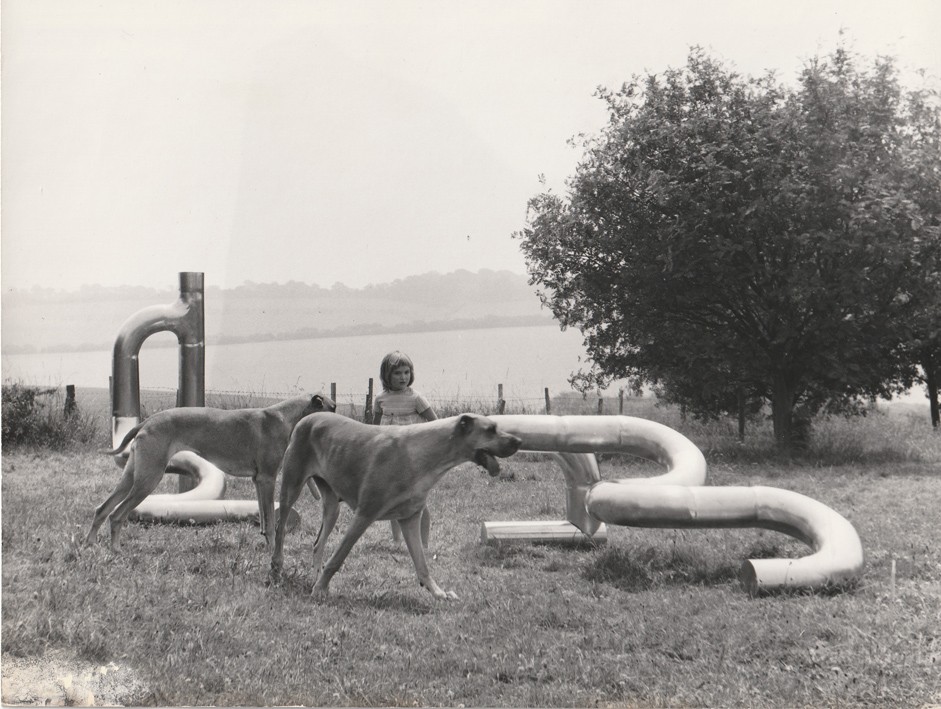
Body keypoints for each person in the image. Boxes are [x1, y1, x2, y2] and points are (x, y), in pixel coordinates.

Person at [373, 350, 437, 546]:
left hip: (412, 455)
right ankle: (396, 540)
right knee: (393, 497)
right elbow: (374, 429)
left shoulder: (416, 398)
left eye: (406, 372)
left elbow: (434, 424)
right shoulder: (380, 399)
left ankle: (424, 543)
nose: (403, 377)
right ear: (386, 375)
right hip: (389, 455)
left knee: (418, 498)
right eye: (397, 373)